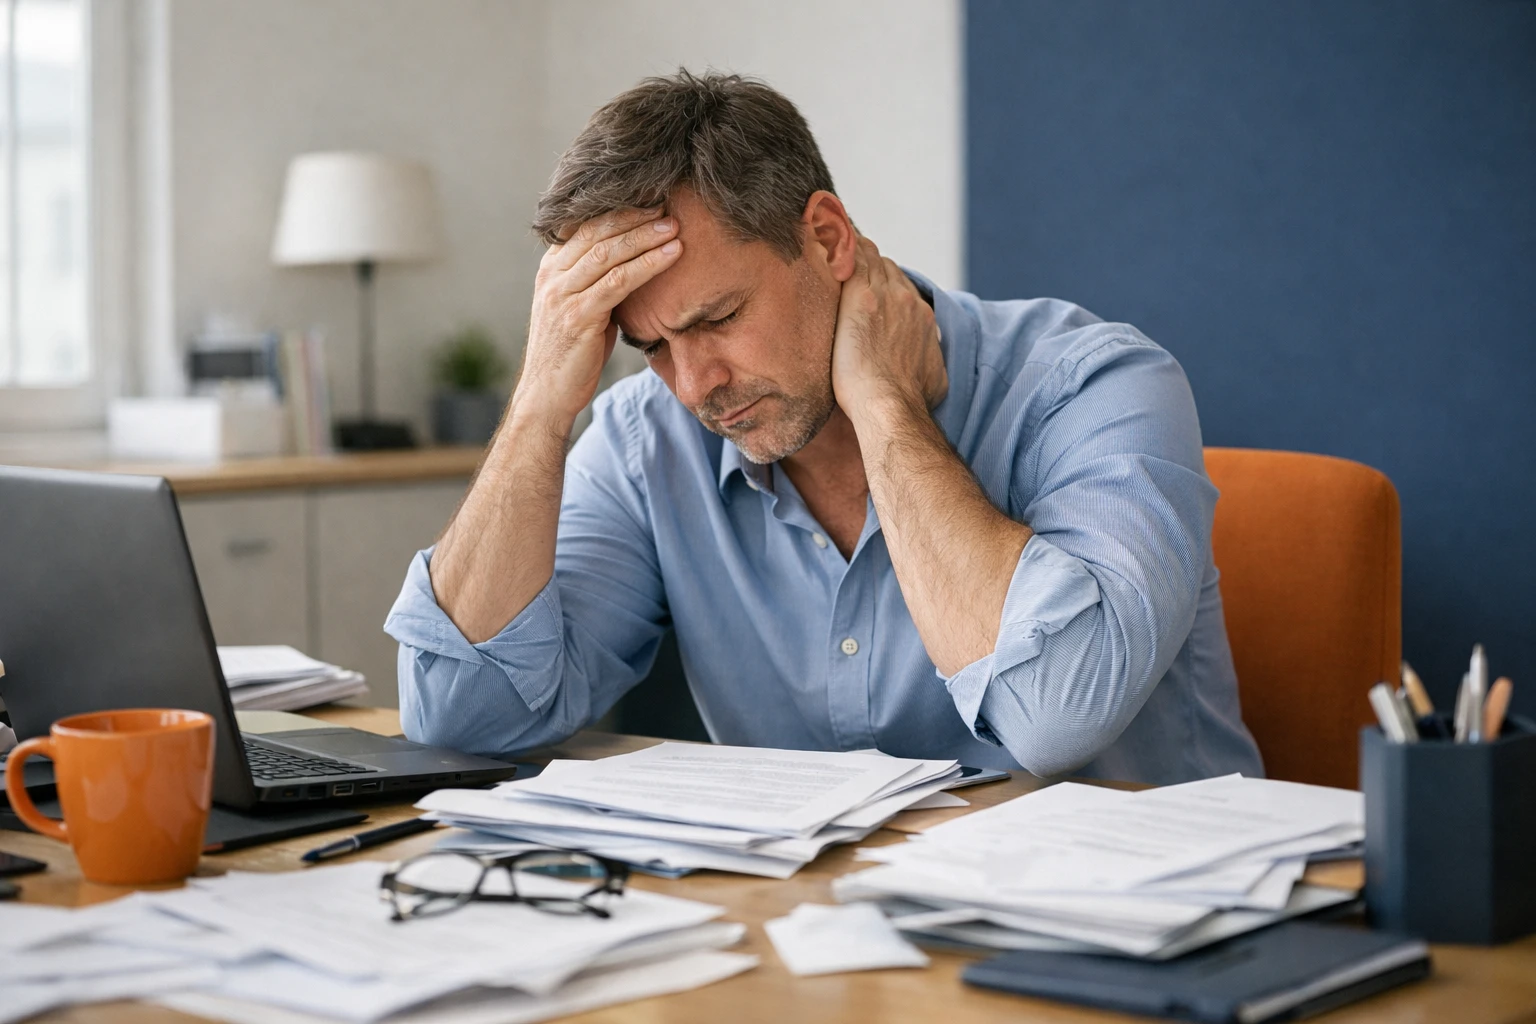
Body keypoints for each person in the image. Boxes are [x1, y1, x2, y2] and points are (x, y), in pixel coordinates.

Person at [386, 70, 1262, 784]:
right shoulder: (642, 439)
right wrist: (541, 403)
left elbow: (1056, 714)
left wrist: (885, 406)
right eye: (651, 347)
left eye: (716, 318)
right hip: (824, 949)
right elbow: (462, 719)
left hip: (1144, 953)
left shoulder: (1097, 385)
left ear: (827, 238)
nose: (696, 386)